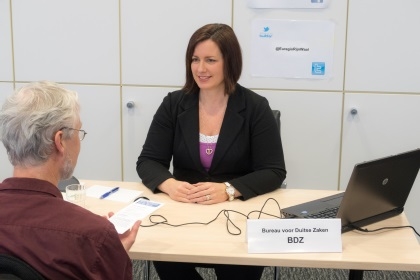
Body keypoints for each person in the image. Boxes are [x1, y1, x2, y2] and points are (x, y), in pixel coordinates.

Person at [136, 23, 286, 280]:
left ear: (230, 63)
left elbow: (273, 170)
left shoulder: (255, 107)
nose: (200, 69)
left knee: (238, 270)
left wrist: (229, 189)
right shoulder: (174, 103)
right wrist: (170, 184)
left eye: (210, 60)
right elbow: (148, 161)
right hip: (183, 214)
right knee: (165, 258)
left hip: (237, 215)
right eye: (195, 59)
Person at [0, 81, 141, 279]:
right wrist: (110, 254)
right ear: (59, 142)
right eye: (77, 132)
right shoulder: (93, 238)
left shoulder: (93, 236)